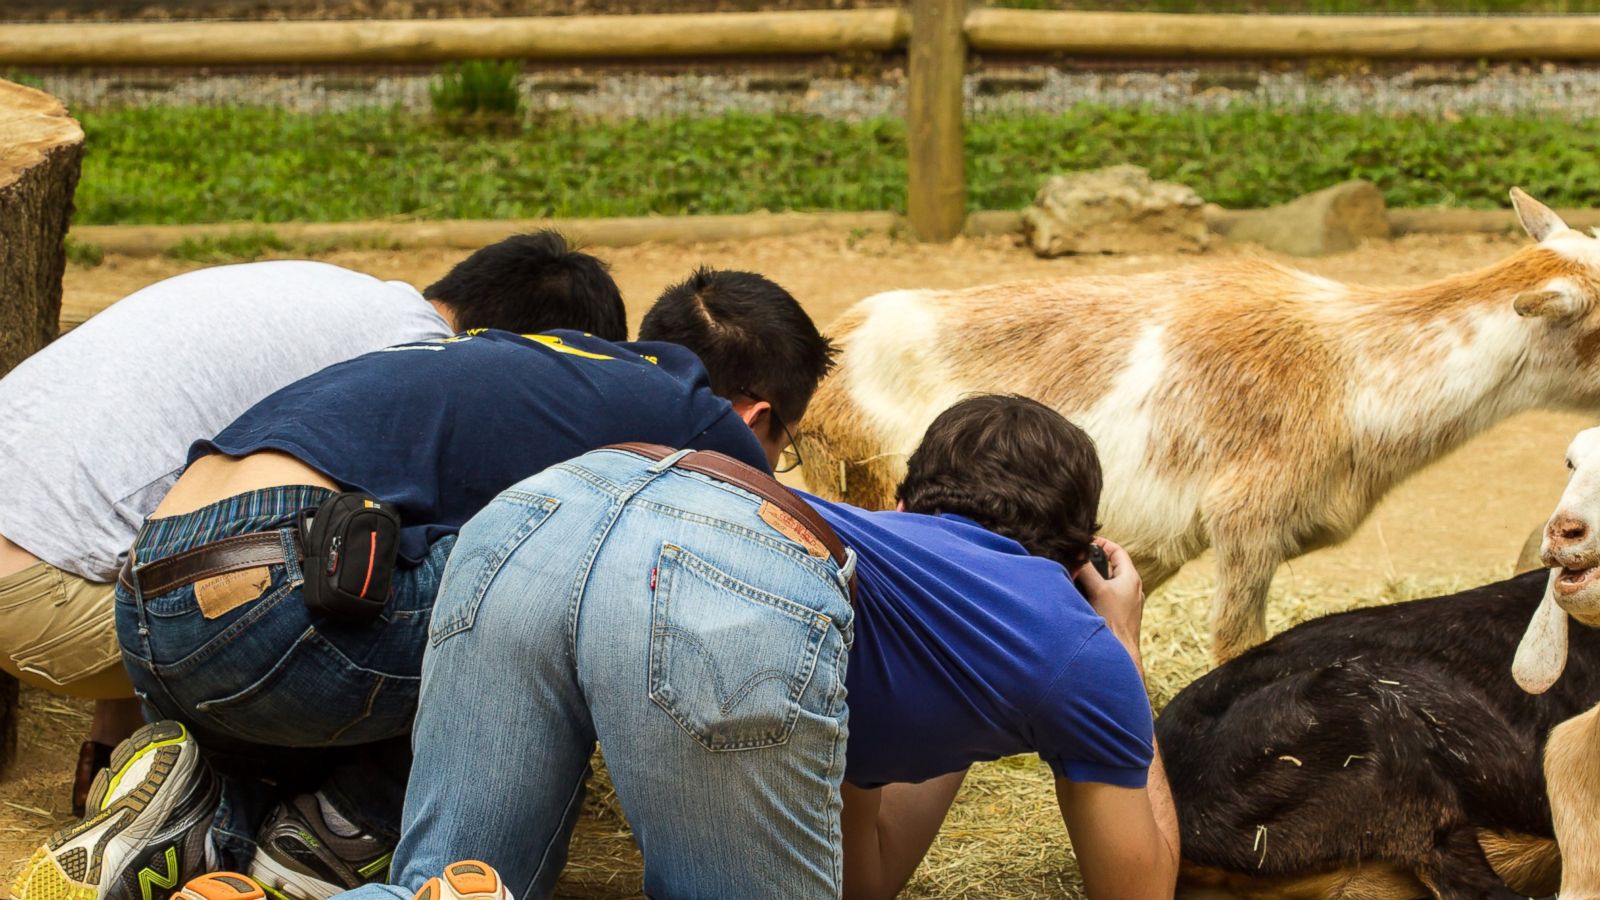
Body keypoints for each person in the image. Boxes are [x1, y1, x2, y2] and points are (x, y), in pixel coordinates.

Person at [11, 268, 835, 900]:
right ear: (757, 416)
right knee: (557, 586)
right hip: (270, 599)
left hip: (151, 596)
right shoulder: (700, 426)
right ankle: (337, 835)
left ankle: (192, 820)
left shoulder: (515, 360)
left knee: (455, 561)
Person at [270, 394, 1173, 899]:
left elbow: (856, 884)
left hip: (548, 508)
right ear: (1082, 547)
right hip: (733, 560)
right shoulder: (1074, 644)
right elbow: (1140, 890)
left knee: (464, 886)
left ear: (902, 501)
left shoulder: (892, 577)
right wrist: (1123, 646)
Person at [0, 230, 626, 816]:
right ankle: (304, 816)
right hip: (43, 593)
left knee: (209, 512)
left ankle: (120, 763)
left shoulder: (338, 295)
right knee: (402, 591)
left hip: (34, 555)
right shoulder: (422, 358)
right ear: (539, 357)